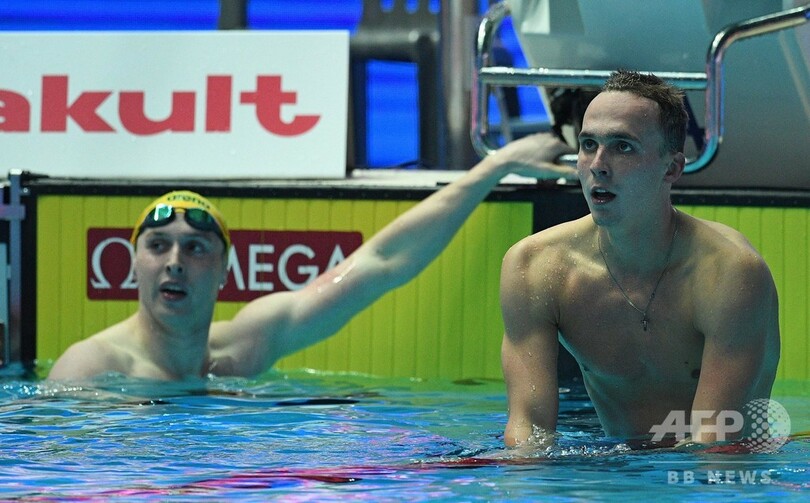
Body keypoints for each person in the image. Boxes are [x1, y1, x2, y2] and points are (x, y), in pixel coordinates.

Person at [47, 132, 577, 381]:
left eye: (196, 247)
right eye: (158, 246)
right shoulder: (92, 370)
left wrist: (495, 167)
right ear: (133, 263)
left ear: (225, 269)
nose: (175, 261)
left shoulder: (246, 346)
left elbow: (381, 262)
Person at [500, 70, 780, 448]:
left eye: (623, 147)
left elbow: (715, 442)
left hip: (717, 470)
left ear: (672, 168)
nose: (598, 164)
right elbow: (528, 429)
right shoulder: (535, 266)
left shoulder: (729, 274)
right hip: (618, 465)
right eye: (588, 144)